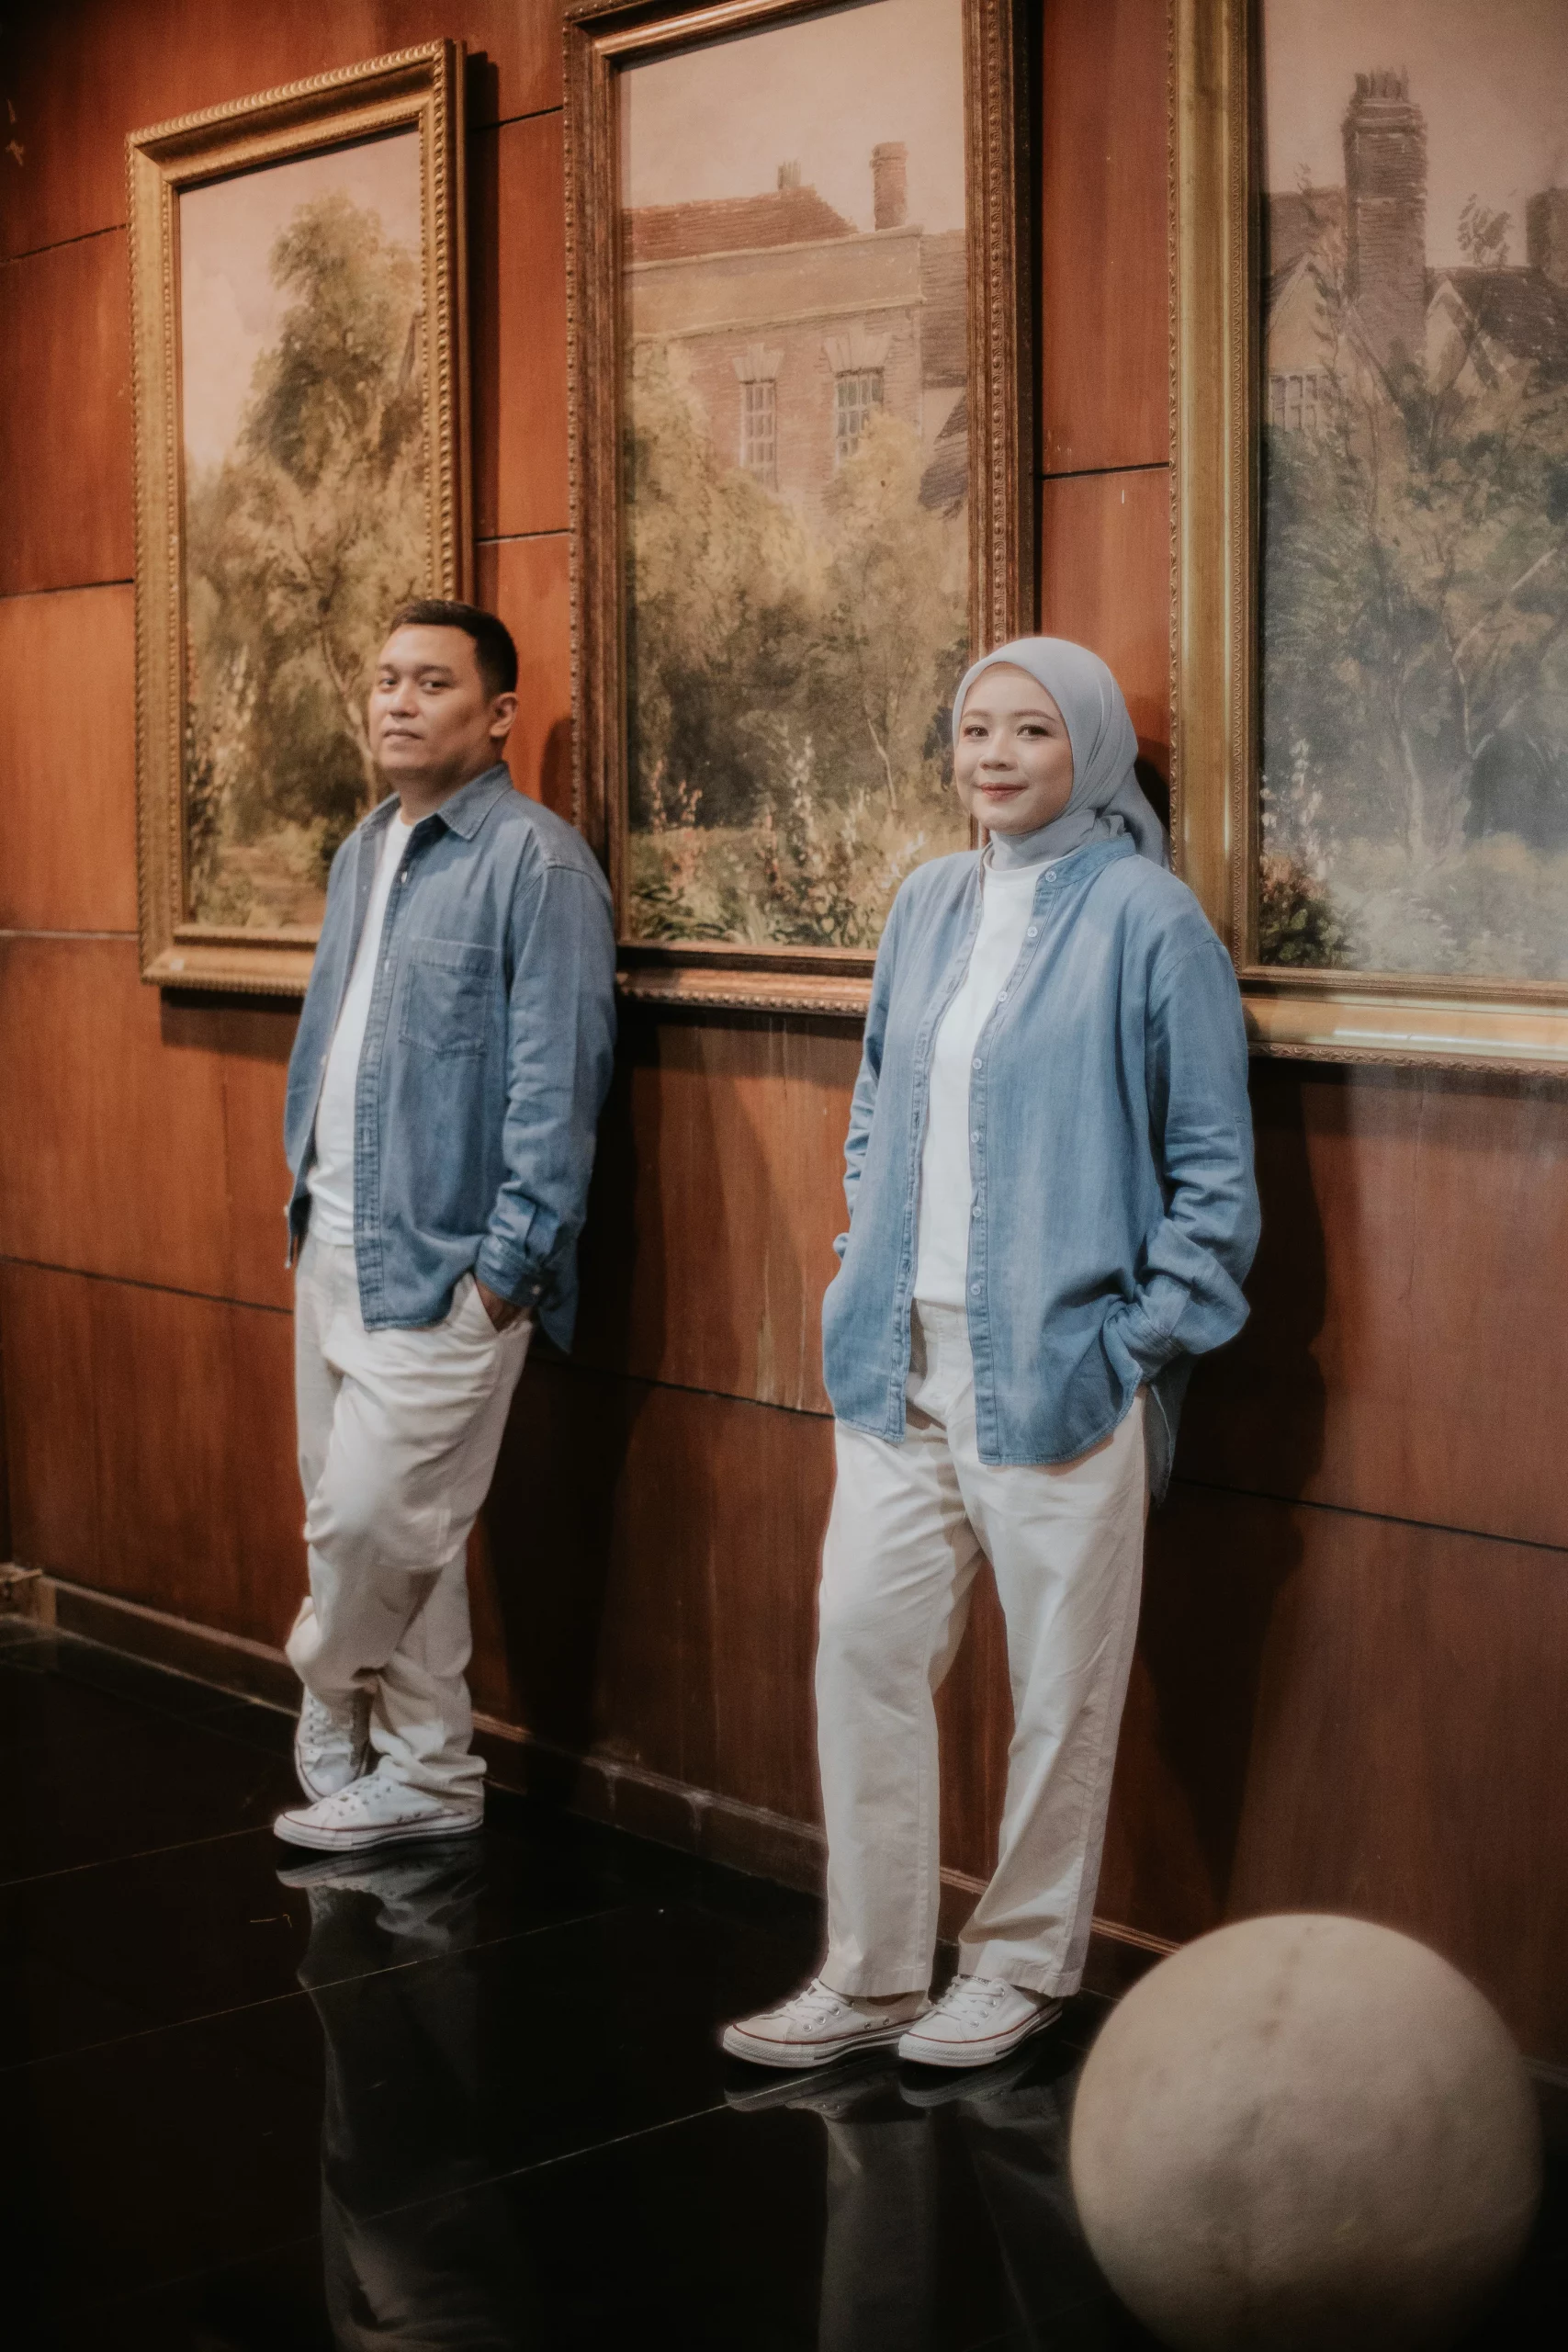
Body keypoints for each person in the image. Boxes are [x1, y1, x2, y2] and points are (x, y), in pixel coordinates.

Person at [724, 638, 1259, 2069]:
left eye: (1030, 730)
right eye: (974, 729)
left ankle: (1019, 1968)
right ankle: (873, 1973)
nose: (995, 756)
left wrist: (1129, 1344)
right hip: (894, 1356)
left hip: (1059, 1366)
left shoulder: (1149, 920)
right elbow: (875, 1101)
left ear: (1089, 749)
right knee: (862, 1646)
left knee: (1060, 1692)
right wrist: (862, 1251)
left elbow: (1214, 1181)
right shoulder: (927, 903)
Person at [273, 599, 616, 1856]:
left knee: (370, 1523)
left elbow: (558, 1082)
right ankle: (427, 1769)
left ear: (500, 713)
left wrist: (507, 1271)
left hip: (452, 1266)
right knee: (394, 1531)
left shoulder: (538, 864)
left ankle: (325, 1678)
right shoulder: (366, 847)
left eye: (431, 682)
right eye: (386, 680)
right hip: (333, 1243)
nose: (399, 702)